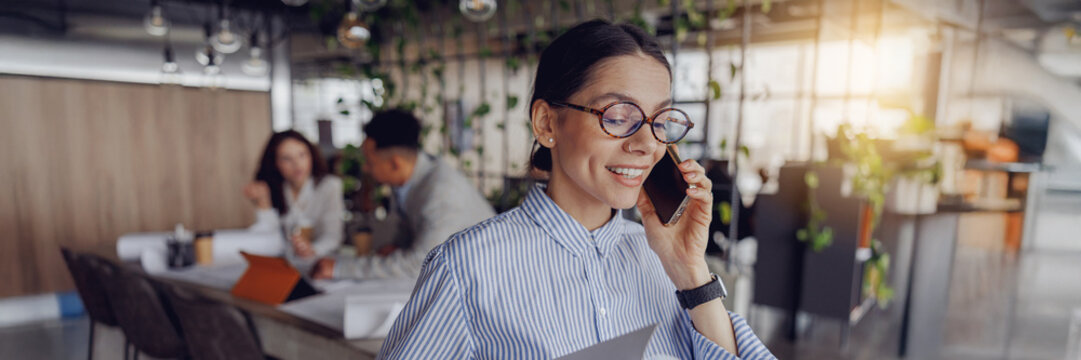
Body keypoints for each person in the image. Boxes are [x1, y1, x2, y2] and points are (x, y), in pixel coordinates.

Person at [377, 20, 775, 359]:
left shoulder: (662, 260)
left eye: (659, 119)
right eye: (619, 116)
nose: (647, 144)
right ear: (547, 123)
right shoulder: (466, 268)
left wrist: (691, 274)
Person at [311, 109, 495, 280]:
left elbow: (420, 265)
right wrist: (399, 247)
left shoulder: (442, 192)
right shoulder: (413, 179)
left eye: (370, 161)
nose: (366, 168)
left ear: (395, 164)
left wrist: (339, 268)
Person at [244, 130, 344, 259]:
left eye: (302, 155)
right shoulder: (273, 188)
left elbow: (333, 237)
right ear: (276, 163)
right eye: (287, 158)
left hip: (322, 262)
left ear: (311, 155)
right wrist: (263, 204)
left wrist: (313, 249)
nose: (297, 164)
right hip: (285, 264)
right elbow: (269, 238)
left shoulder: (330, 186)